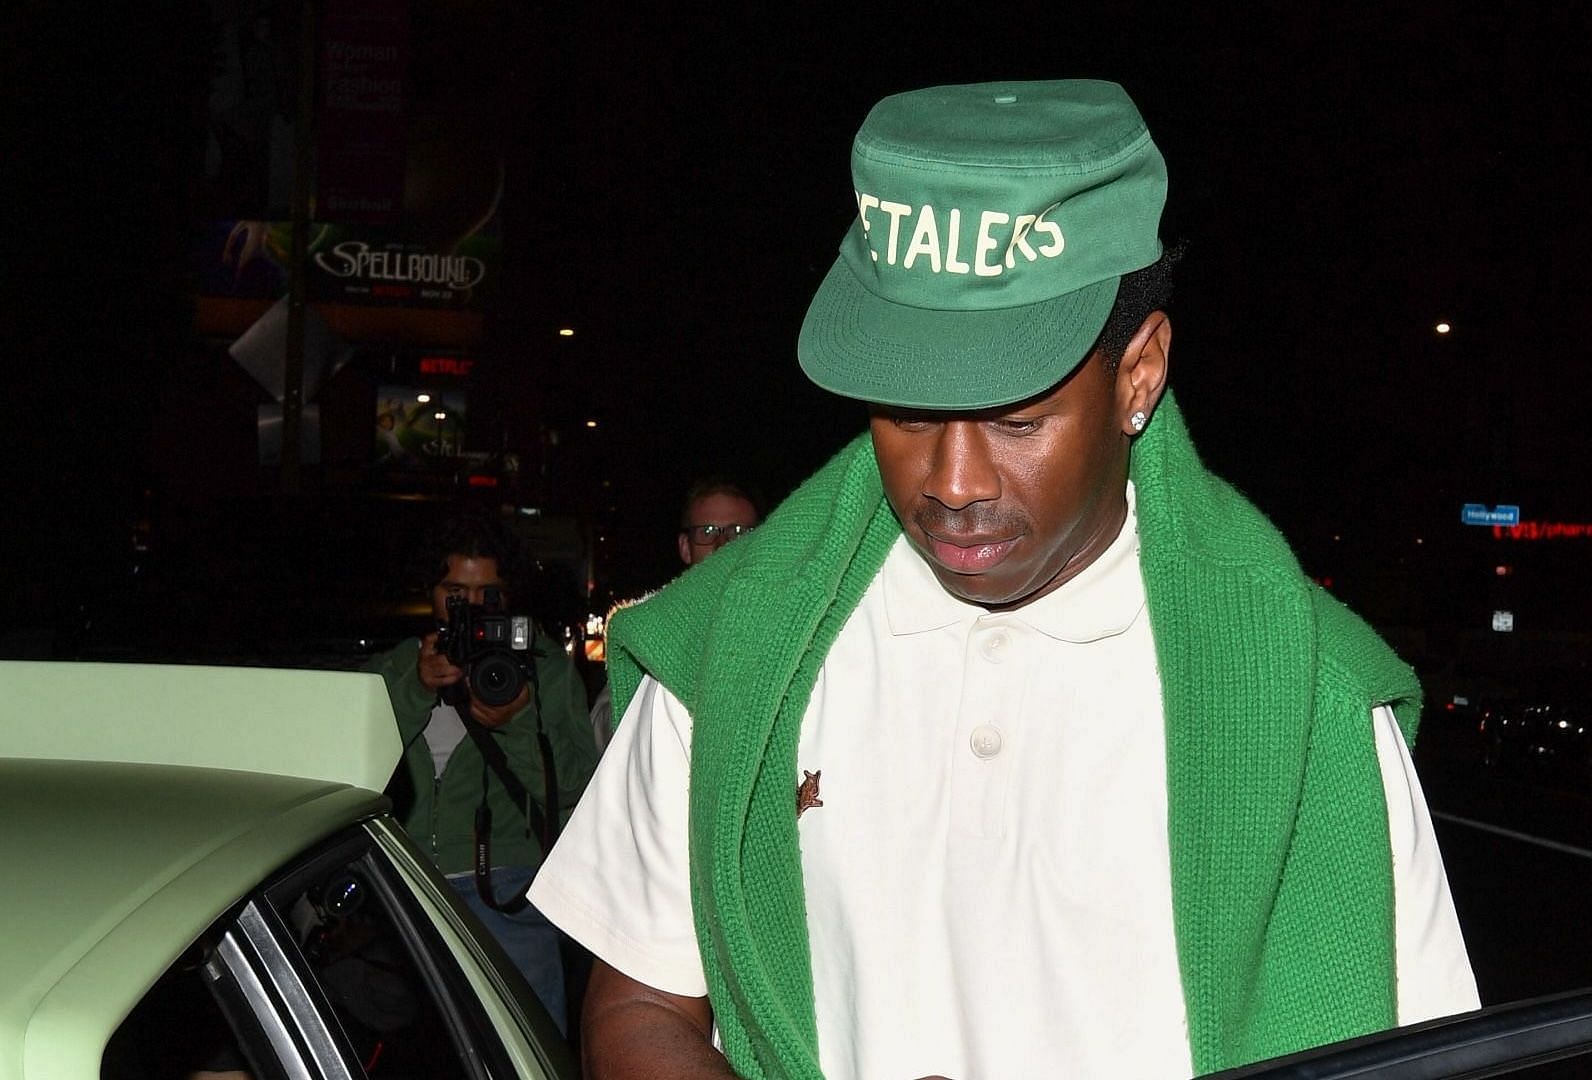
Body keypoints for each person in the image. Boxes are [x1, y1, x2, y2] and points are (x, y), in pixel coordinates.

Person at [530, 79, 1479, 1079]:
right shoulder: (722, 653)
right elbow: (640, 1006)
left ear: (1139, 373)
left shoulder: (1311, 707)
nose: (952, 483)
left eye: (1017, 420)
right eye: (906, 414)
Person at [367, 512, 598, 1030]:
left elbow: (577, 786)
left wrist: (515, 723)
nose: (469, 608)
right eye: (454, 591)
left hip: (505, 883)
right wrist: (413, 687)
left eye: (486, 593)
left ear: (507, 595)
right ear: (430, 592)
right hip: (401, 884)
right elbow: (347, 759)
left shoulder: (543, 668)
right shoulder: (399, 666)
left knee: (527, 1039)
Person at [587, 478, 764, 750]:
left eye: (737, 531)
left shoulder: (782, 623)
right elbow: (603, 731)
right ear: (685, 547)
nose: (722, 544)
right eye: (707, 532)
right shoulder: (650, 627)